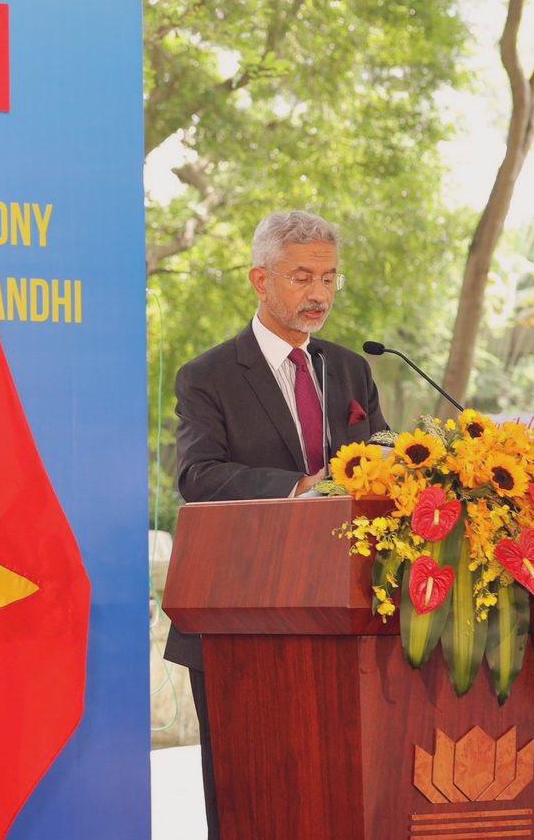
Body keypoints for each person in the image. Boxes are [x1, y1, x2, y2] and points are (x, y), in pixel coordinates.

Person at [162, 210, 387, 839]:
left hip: (344, 621)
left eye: (330, 279)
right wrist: (302, 489)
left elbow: (379, 462)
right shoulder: (207, 376)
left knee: (337, 797)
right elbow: (199, 476)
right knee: (248, 803)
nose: (319, 295)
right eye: (302, 278)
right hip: (240, 617)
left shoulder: (351, 369)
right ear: (260, 280)